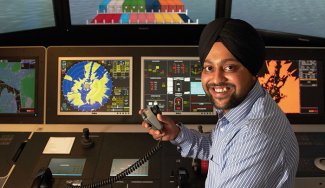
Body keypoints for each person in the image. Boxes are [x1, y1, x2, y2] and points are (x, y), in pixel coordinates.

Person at [139, 18, 299, 187]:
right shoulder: (243, 110)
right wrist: (177, 134)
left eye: (229, 67)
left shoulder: (257, 137)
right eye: (209, 68)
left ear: (252, 70)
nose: (216, 79)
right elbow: (219, 149)